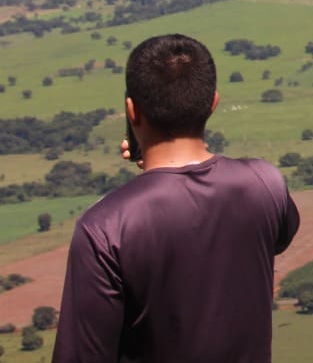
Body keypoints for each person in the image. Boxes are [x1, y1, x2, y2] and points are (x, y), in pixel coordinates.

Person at [53, 33, 300, 363]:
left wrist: (153, 173)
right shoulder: (265, 184)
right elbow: (272, 238)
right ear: (213, 103)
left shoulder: (104, 228)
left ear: (132, 111)